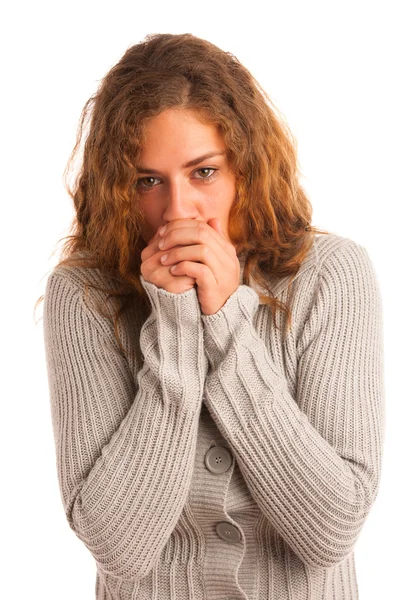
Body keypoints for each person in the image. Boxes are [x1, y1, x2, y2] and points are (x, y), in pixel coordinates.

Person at [41, 32, 385, 600]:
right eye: (148, 182)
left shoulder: (331, 275)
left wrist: (226, 322)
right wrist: (174, 330)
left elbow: (331, 529)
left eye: (203, 172)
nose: (178, 211)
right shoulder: (83, 295)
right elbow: (118, 546)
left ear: (245, 166)